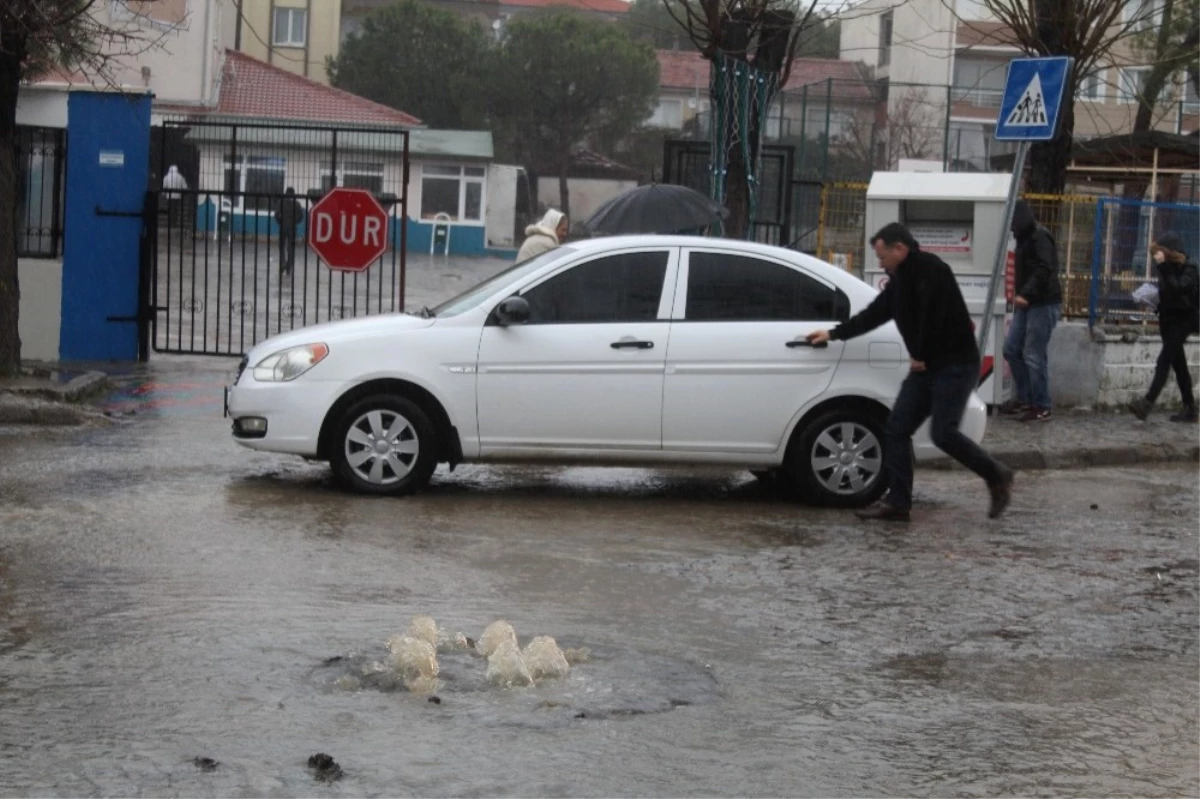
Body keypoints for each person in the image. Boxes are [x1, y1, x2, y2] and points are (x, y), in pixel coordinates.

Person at [806, 223, 1014, 522]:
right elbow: (873, 316)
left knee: (943, 433)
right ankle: (898, 503)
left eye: (882, 257)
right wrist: (833, 334)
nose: (880, 264)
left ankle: (997, 474)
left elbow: (935, 316)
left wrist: (923, 354)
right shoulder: (899, 283)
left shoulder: (931, 270)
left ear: (899, 249)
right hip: (927, 367)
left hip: (955, 365)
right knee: (897, 428)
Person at [1128, 232, 1199, 423]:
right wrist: (1152, 301)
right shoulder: (1166, 268)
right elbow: (1168, 292)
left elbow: (1179, 288)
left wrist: (1164, 267)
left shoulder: (1189, 268)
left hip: (1184, 321)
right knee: (1179, 365)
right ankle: (1190, 409)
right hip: (1168, 320)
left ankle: (1147, 403)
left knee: (1164, 360)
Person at [1002, 200, 1063, 422]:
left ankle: (1041, 405)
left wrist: (1025, 293)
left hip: (1043, 303)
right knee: (1011, 349)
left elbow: (1045, 268)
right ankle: (1026, 398)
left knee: (1033, 354)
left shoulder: (1039, 236)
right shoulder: (1024, 238)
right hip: (1028, 303)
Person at [274, 188, 304, 275]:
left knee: (281, 246)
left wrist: (280, 222)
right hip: (293, 228)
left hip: (283, 227)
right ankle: (288, 267)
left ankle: (283, 262)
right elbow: (301, 217)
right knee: (290, 248)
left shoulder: (281, 202)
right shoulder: (297, 204)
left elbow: (276, 215)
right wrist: (295, 222)